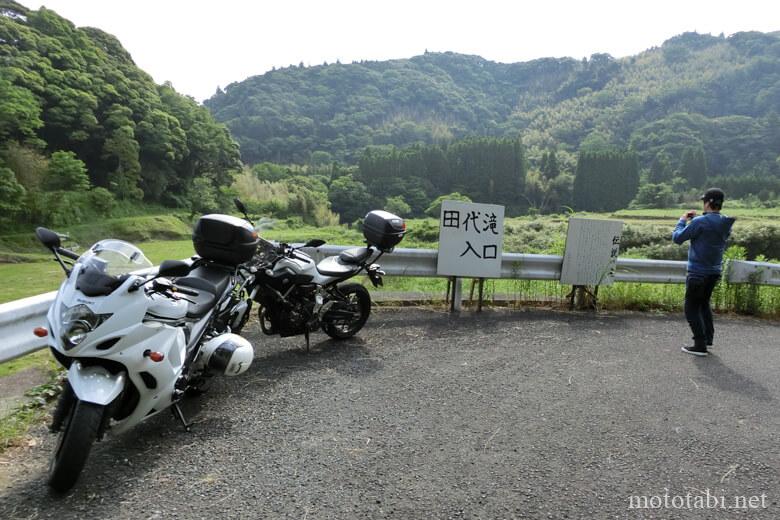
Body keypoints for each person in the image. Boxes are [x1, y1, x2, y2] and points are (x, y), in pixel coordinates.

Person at [672, 188, 735, 357]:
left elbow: (677, 238)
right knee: (703, 304)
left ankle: (699, 345)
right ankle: (707, 339)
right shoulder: (725, 222)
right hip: (714, 271)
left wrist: (682, 220)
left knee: (691, 307)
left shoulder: (700, 222)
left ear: (707, 202)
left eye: (704, 201)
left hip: (697, 272)